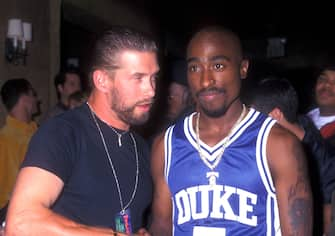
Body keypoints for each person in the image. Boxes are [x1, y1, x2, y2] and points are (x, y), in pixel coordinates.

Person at [149, 25, 313, 235]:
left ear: (243, 68)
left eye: (217, 66)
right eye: (195, 68)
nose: (206, 80)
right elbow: (162, 226)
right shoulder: (166, 145)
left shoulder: (278, 144)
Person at [5, 26, 159, 236]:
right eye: (138, 78)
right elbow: (21, 223)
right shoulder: (62, 133)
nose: (151, 90)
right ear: (102, 80)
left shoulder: (141, 147)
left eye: (153, 78)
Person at [250, 76, 335, 236]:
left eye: (255, 116)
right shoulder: (268, 145)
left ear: (275, 115)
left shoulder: (324, 162)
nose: (250, 124)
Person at [0, 78, 39, 211]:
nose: (36, 99)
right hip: (14, 217)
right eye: (33, 94)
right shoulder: (5, 140)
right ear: (24, 99)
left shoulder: (36, 132)